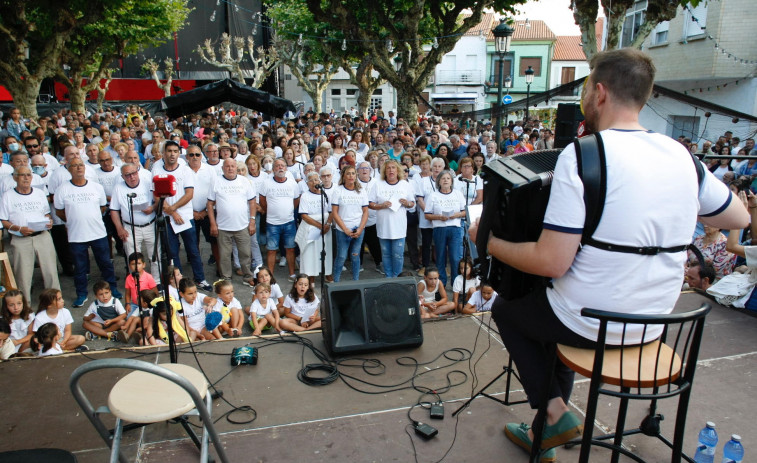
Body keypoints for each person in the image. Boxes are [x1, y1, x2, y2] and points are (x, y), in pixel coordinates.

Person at [468, 49, 749, 460]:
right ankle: (545, 431)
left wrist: (487, 242)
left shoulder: (583, 154)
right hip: (657, 321)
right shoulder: (682, 156)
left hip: (594, 321)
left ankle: (554, 411)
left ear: (599, 93)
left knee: (511, 313)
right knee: (552, 312)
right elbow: (737, 213)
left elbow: (552, 262)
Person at [54, 157, 122, 307]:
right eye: (75, 165)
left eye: (81, 165)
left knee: (106, 264)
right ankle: (81, 294)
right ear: (69, 169)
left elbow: (102, 207)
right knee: (80, 268)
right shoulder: (62, 189)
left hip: (98, 233)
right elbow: (59, 211)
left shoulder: (96, 187)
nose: (79, 168)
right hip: (76, 236)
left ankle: (112, 289)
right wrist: (73, 220)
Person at [153, 141, 212, 292]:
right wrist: (172, 213)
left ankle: (200, 279)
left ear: (179, 154)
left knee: (193, 250)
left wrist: (174, 209)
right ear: (164, 153)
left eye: (175, 151)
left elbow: (189, 194)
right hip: (167, 217)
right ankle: (178, 282)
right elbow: (156, 195)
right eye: (169, 151)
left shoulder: (185, 170)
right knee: (172, 252)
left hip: (185, 217)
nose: (172, 154)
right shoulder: (156, 169)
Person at [0, 165, 59, 303]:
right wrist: (19, 229)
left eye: (28, 175)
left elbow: (46, 212)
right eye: (22, 175)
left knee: (51, 272)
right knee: (23, 276)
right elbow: (4, 220)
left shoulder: (39, 193)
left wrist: (49, 220)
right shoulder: (8, 196)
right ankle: (24, 307)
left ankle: (55, 302)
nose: (26, 178)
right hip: (21, 239)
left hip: (42, 236)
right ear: (15, 177)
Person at [207, 158, 257, 283]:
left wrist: (252, 221)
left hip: (242, 225)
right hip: (223, 227)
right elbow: (209, 204)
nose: (230, 168)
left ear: (236, 167)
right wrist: (213, 223)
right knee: (224, 255)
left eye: (232, 166)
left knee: (245, 253)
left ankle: (247, 276)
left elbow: (252, 202)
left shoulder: (244, 181)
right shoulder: (216, 181)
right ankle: (226, 277)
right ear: (223, 168)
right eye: (227, 166)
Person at [110, 163, 160, 281]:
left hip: (150, 224)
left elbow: (159, 201)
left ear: (138, 172)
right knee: (132, 256)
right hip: (130, 226)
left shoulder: (148, 183)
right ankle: (137, 281)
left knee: (155, 255)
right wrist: (119, 228)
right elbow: (114, 210)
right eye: (127, 175)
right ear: (122, 177)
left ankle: (156, 281)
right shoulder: (118, 188)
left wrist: (152, 208)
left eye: (133, 173)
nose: (131, 177)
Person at [369, 160, 415, 278]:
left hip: (399, 226)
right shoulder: (378, 184)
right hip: (383, 226)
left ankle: (398, 277)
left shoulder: (405, 184)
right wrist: (381, 205)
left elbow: (412, 204)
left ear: (398, 170)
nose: (391, 170)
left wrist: (407, 203)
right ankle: (388, 277)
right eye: (388, 168)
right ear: (384, 170)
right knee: (386, 254)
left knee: (398, 255)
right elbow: (370, 204)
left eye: (393, 168)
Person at [424, 170, 466, 288]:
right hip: (440, 228)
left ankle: (456, 284)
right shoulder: (433, 195)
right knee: (440, 257)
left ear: (452, 181)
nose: (446, 180)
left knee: (455, 257)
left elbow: (464, 212)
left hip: (455, 228)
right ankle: (441, 283)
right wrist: (439, 217)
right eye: (443, 179)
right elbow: (427, 215)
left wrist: (455, 215)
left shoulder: (458, 194)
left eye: (448, 178)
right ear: (439, 182)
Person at [260, 158, 300, 279]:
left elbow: (296, 200)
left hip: (289, 222)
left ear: (286, 168)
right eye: (277, 166)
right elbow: (262, 200)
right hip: (272, 223)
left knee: (290, 249)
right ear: (273, 169)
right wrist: (271, 211)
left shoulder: (292, 183)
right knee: (271, 250)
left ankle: (292, 274)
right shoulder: (266, 183)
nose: (280, 168)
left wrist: (287, 211)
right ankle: (270, 276)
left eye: (282, 165)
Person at [331, 165, 369, 281]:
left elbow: (365, 211)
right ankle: (335, 282)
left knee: (355, 255)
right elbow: (335, 212)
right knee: (341, 256)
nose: (351, 176)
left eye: (353, 173)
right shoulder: (338, 190)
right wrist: (345, 229)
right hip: (343, 229)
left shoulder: (361, 191)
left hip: (358, 228)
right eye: (348, 173)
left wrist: (360, 229)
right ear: (343, 176)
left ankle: (355, 281)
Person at [296, 171, 333, 285]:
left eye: (316, 179)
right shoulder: (305, 196)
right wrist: (319, 226)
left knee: (325, 251)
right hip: (311, 227)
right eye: (311, 180)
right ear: (307, 183)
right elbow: (304, 215)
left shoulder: (325, 193)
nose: (314, 182)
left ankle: (327, 273)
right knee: (310, 252)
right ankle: (310, 277)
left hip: (326, 227)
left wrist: (327, 225)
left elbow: (332, 211)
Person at [123, 252, 158, 316]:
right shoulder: (128, 278)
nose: (136, 266)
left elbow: (155, 293)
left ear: (144, 264)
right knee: (128, 317)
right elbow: (127, 294)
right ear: (129, 266)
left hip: (147, 304)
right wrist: (127, 304)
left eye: (139, 263)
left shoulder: (148, 277)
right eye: (133, 264)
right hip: (135, 304)